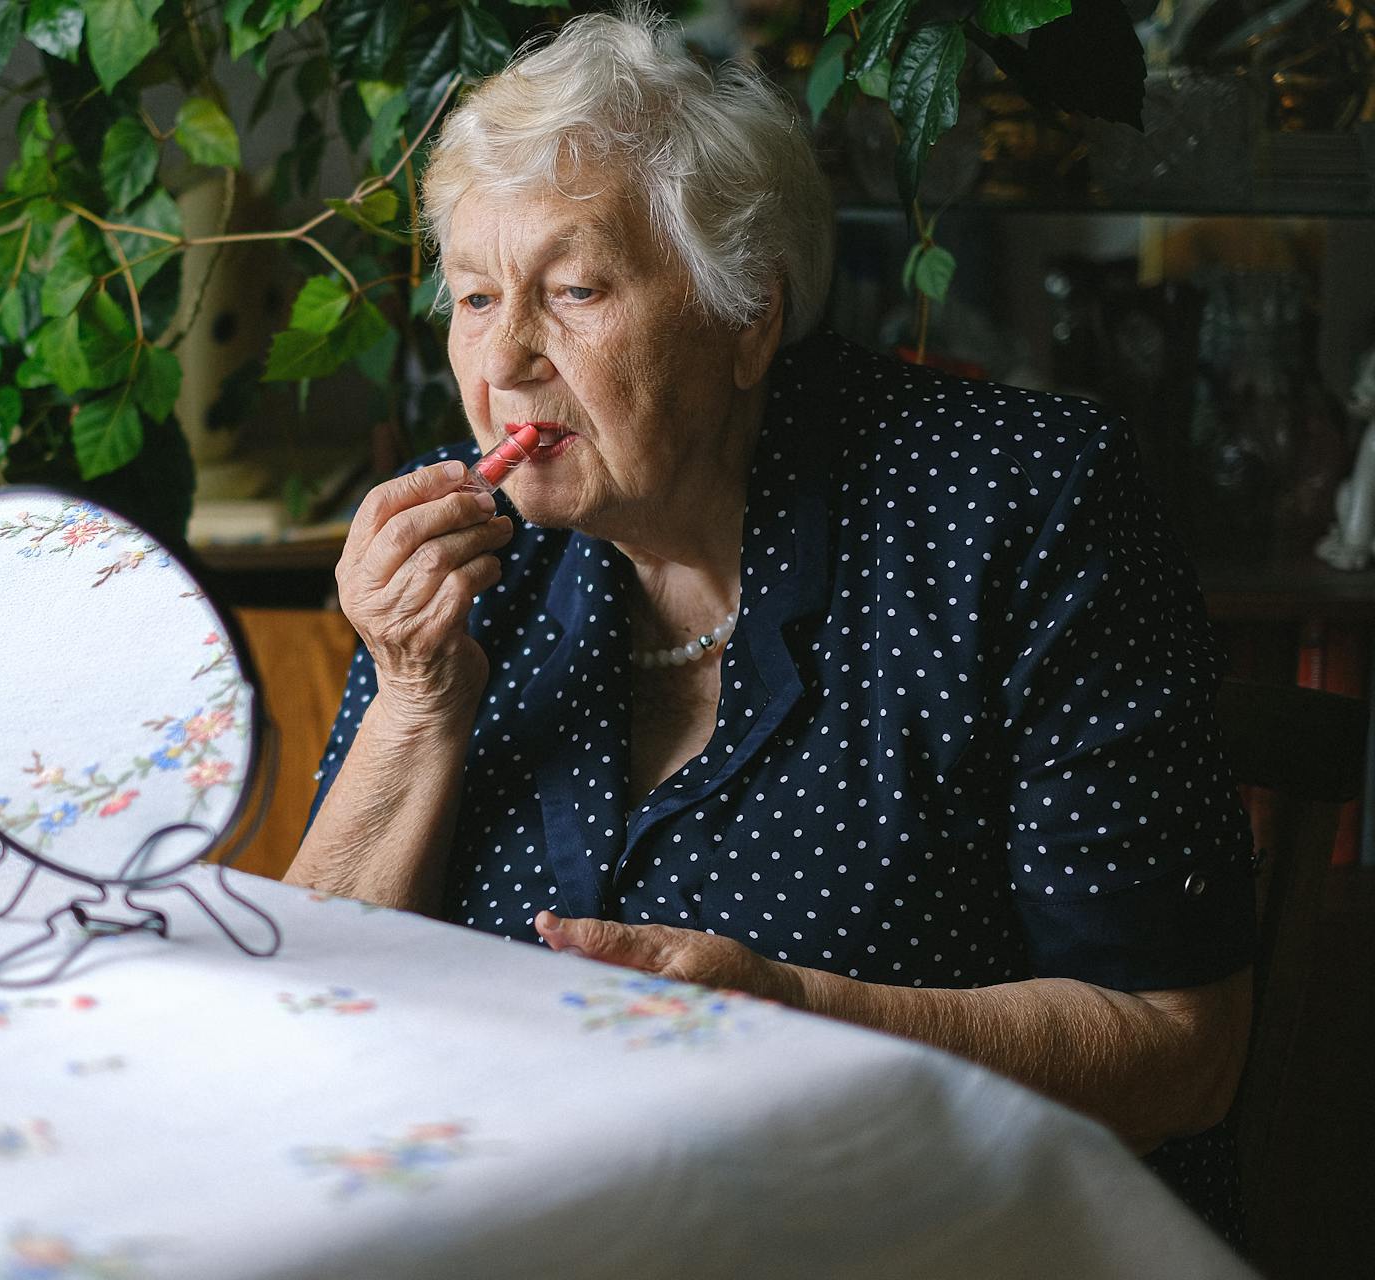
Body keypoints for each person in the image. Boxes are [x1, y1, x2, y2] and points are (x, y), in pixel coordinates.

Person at [285, 8, 1257, 1242]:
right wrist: (417, 698)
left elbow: (1178, 1050)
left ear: (746, 314)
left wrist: (793, 1013)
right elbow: (305, 1002)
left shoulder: (1016, 508)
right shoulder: (478, 551)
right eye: (476, 298)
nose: (507, 361)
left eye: (574, 289)